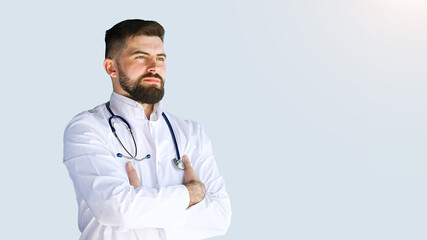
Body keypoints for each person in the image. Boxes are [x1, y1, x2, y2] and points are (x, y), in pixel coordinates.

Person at [63, 19, 231, 240]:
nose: (154, 67)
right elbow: (116, 210)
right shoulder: (87, 129)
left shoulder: (191, 133)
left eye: (160, 58)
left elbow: (219, 218)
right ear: (111, 67)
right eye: (140, 57)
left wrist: (140, 205)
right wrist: (191, 194)